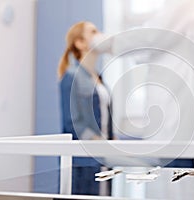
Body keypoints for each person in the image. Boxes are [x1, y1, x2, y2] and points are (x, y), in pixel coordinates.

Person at [58, 21, 113, 195]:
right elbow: (72, 122)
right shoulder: (71, 76)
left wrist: (112, 141)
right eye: (93, 32)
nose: (99, 35)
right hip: (84, 159)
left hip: (105, 158)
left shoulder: (99, 77)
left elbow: (104, 118)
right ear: (80, 42)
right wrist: (98, 142)